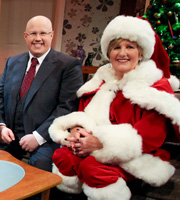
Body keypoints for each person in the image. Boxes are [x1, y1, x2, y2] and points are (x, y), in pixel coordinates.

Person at [49, 16, 180, 200]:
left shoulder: (154, 86)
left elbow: (152, 135)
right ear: (109, 53)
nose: (122, 53)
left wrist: (102, 143)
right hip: (92, 146)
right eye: (116, 47)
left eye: (130, 47)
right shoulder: (101, 80)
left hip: (136, 154)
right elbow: (84, 112)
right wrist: (78, 130)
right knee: (63, 157)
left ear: (141, 53)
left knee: (91, 167)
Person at [0, 15, 83, 172]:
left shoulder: (68, 65)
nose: (38, 38)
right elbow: (0, 98)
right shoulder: (12, 62)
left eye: (43, 33)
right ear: (25, 36)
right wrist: (2, 126)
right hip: (9, 135)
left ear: (51, 35)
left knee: (38, 170)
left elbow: (67, 106)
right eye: (33, 33)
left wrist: (38, 137)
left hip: (46, 139)